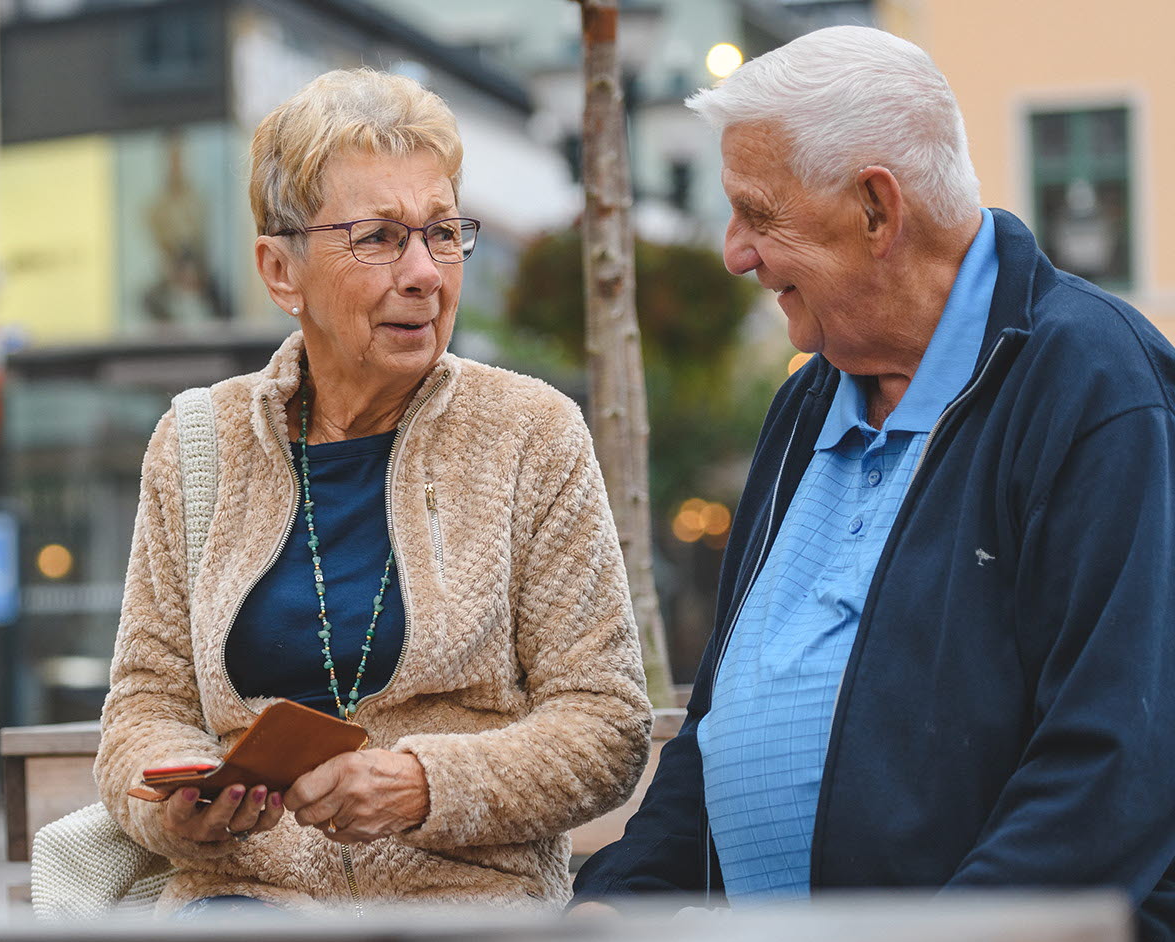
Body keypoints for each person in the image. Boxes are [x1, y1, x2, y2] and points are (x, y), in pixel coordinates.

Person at [572, 25, 1175, 936]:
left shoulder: (1095, 386)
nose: (736, 252)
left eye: (759, 214)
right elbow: (718, 731)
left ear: (876, 211)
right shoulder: (810, 401)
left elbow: (1113, 761)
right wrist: (614, 906)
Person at [94, 68, 651, 916]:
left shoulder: (530, 434)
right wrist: (179, 808)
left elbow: (606, 724)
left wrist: (421, 786)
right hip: (243, 902)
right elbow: (143, 710)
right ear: (282, 272)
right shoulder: (197, 443)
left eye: (442, 233)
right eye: (381, 238)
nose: (425, 272)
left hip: (463, 904)